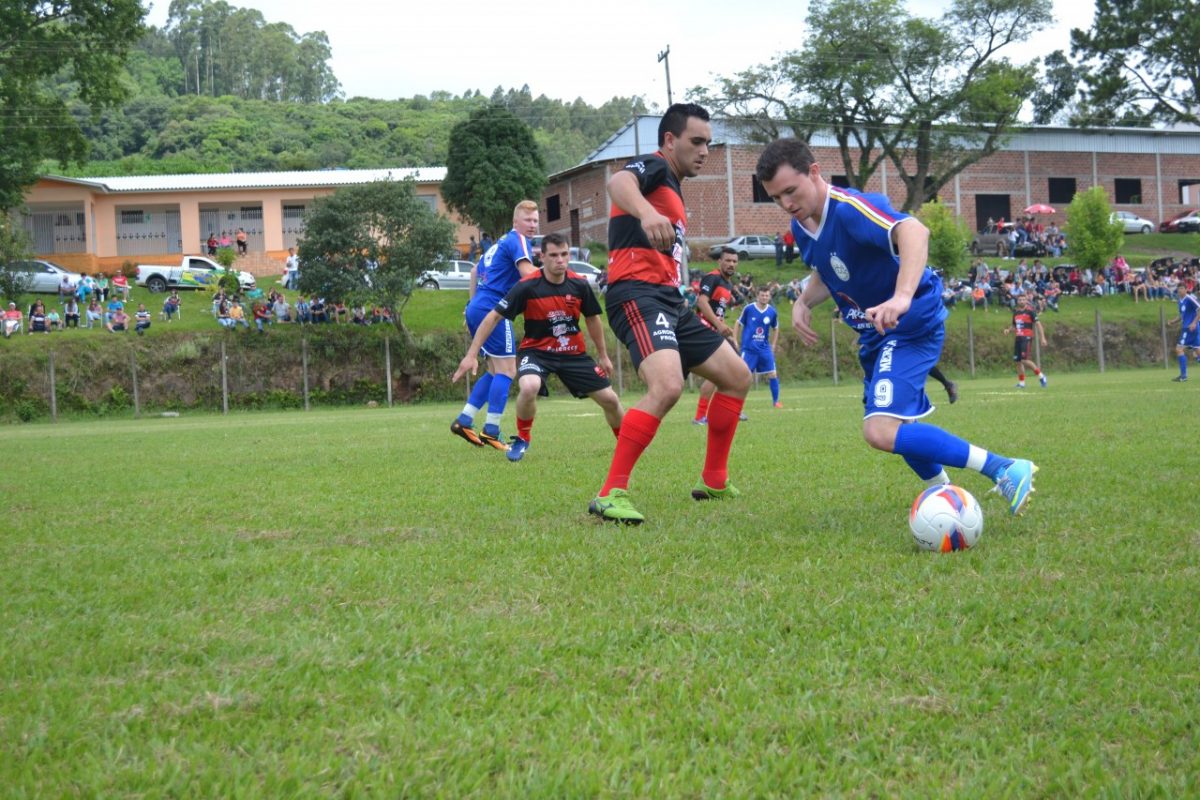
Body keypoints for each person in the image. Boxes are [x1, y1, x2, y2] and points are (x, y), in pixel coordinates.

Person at [755, 137, 1037, 515]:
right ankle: (945, 498)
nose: (786, 203)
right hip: (877, 334)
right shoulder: (803, 224)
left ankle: (1005, 468)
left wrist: (902, 296)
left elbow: (914, 232)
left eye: (791, 190)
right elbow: (828, 268)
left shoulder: (851, 208)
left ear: (815, 173)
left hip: (911, 322)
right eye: (776, 197)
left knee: (881, 430)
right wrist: (804, 301)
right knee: (899, 425)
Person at [588, 103, 752, 525]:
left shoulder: (674, 186)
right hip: (636, 295)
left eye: (709, 144)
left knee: (736, 378)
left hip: (669, 301)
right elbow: (619, 181)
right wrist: (645, 211)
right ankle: (611, 493)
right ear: (669, 141)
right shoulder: (655, 167)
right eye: (696, 142)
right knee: (667, 386)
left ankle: (715, 481)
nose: (704, 151)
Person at [452, 233, 625, 462]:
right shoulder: (526, 287)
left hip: (573, 354)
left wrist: (603, 356)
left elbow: (593, 320)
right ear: (541, 257)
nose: (560, 260)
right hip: (536, 352)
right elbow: (493, 317)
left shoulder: (580, 285)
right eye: (553, 255)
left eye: (564, 254)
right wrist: (472, 354)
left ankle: (626, 444)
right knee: (529, 386)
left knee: (611, 400)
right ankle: (523, 439)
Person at [450, 200, 540, 452]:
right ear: (516, 222)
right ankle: (491, 430)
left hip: (479, 306)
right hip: (495, 309)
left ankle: (464, 420)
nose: (532, 225)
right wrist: (557, 279)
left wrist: (471, 305)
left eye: (535, 221)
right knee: (508, 370)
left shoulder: (501, 242)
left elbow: (475, 272)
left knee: (494, 370)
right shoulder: (518, 241)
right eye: (528, 220)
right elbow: (527, 273)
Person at [691, 247, 743, 424]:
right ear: (719, 262)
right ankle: (702, 416)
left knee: (730, 369)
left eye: (734, 261)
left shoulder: (728, 283)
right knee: (726, 369)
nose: (731, 264)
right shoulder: (712, 277)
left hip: (715, 329)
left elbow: (717, 308)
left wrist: (721, 324)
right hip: (704, 329)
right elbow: (702, 302)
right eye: (727, 260)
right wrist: (719, 324)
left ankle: (726, 411)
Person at [734, 285, 783, 408]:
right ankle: (737, 404)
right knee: (743, 378)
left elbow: (776, 328)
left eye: (767, 295)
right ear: (757, 296)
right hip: (749, 349)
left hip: (764, 349)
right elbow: (738, 323)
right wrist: (735, 340)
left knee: (773, 373)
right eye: (762, 295)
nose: (764, 297)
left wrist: (774, 344)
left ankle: (776, 402)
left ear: (769, 296)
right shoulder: (749, 309)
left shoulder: (772, 311)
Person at [1003, 295, 1048, 388]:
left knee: (1024, 360)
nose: (1022, 301)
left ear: (1026, 301)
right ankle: (1022, 383)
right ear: (1017, 301)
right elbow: (1014, 326)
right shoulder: (1016, 313)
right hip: (1018, 338)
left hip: (1026, 337)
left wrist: (1042, 338)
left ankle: (1042, 376)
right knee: (1018, 361)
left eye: (1023, 300)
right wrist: (1008, 330)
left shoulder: (1030, 311)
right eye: (1020, 299)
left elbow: (1038, 324)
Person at [1168, 281, 1200, 382]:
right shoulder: (1180, 301)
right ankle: (1183, 376)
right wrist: (1173, 321)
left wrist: (1194, 322)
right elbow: (1182, 315)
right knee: (1198, 351)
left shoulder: (1190, 298)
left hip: (1190, 328)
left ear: (1186, 289)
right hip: (1188, 328)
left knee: (1179, 349)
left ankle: (1183, 376)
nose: (1180, 290)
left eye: (1182, 288)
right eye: (1179, 288)